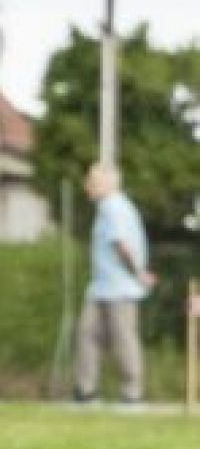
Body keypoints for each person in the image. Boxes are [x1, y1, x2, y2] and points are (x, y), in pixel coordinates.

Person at [74, 162, 157, 405]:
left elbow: (121, 245)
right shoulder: (106, 208)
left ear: (109, 183)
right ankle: (86, 390)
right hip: (101, 286)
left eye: (93, 181)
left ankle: (132, 392)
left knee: (123, 339)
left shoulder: (115, 208)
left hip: (120, 287)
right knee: (87, 333)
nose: (88, 186)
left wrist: (138, 273)